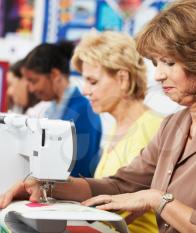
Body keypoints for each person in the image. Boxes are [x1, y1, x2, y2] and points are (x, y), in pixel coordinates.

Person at [0, 1, 196, 233]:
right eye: (157, 63)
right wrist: (47, 185)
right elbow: (120, 185)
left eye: (169, 62)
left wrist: (159, 200)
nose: (158, 74)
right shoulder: (175, 125)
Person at [71, 31, 163, 233]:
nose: (85, 90)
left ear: (122, 79)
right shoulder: (116, 128)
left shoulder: (156, 128)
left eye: (93, 81)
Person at [21, 41, 102, 178]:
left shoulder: (82, 112)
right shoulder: (52, 109)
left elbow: (78, 170)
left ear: (54, 75)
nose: (31, 89)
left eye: (34, 81)